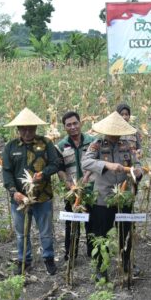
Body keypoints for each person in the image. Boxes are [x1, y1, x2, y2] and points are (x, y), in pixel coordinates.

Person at [81, 111, 143, 279]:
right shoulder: (97, 145)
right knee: (102, 233)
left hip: (124, 196)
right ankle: (101, 267)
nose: (115, 136)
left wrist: (138, 172)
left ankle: (126, 262)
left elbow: (137, 164)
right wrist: (107, 165)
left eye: (118, 132)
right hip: (103, 197)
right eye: (112, 132)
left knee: (125, 231)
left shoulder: (128, 146)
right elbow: (85, 162)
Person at [2, 108, 62, 275]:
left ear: (36, 127)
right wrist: (13, 192)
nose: (27, 132)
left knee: (46, 231)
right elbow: (6, 171)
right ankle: (24, 260)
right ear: (18, 129)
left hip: (42, 196)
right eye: (23, 129)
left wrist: (44, 173)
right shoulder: (11, 146)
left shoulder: (46, 143)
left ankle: (48, 258)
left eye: (31, 128)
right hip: (19, 198)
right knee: (22, 233)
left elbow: (56, 163)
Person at [56, 111, 95, 262]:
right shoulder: (61, 146)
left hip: (91, 189)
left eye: (75, 123)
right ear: (64, 127)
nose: (73, 127)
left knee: (92, 222)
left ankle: (93, 253)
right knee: (72, 224)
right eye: (69, 125)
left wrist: (86, 178)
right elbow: (60, 169)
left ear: (80, 123)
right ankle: (71, 255)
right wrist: (68, 184)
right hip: (71, 192)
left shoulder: (92, 142)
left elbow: (97, 162)